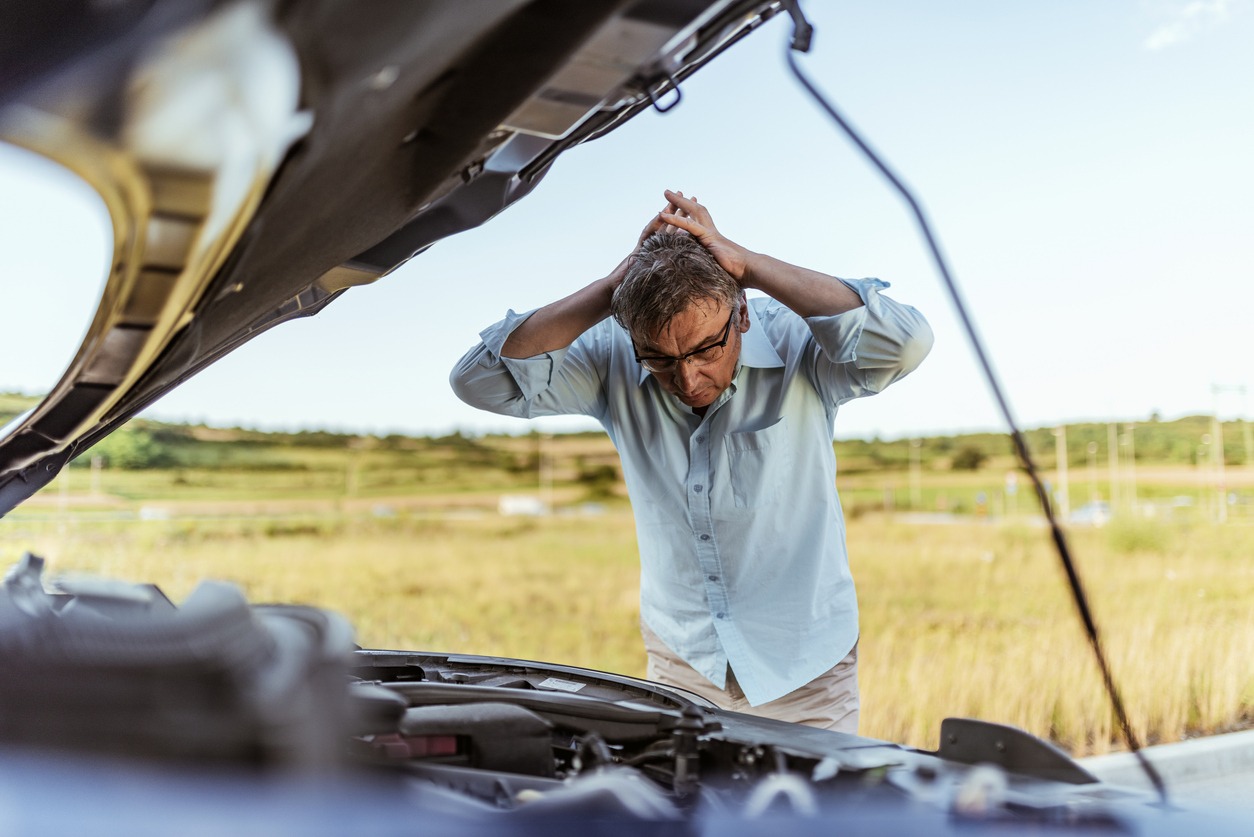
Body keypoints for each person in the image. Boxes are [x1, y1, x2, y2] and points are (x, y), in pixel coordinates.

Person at [450, 190, 932, 732]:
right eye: (658, 358)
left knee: (815, 818)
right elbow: (477, 381)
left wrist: (749, 265)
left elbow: (904, 343)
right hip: (682, 666)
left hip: (806, 671)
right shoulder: (610, 353)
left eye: (707, 349)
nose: (687, 379)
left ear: (742, 313)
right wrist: (612, 288)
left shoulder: (796, 341)